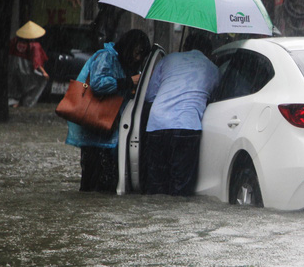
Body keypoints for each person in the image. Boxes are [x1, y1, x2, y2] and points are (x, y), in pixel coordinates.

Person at [65, 29, 151, 193]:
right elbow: (98, 84)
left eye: (142, 55)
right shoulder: (106, 57)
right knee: (96, 182)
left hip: (110, 129)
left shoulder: (126, 65)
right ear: (128, 46)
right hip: (97, 127)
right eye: (137, 52)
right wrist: (128, 82)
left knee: (107, 183)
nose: (138, 58)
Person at [143, 31, 220, 196]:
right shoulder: (212, 69)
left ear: (185, 46)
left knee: (156, 186)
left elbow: (149, 95)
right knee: (181, 187)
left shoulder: (168, 59)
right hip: (187, 126)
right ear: (208, 51)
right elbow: (214, 97)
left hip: (157, 125)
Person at [8, 21, 50, 107]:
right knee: (37, 83)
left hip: (13, 67)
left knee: (15, 85)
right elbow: (37, 62)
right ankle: (27, 102)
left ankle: (14, 101)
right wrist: (44, 72)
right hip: (26, 70)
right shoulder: (34, 45)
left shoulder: (14, 41)